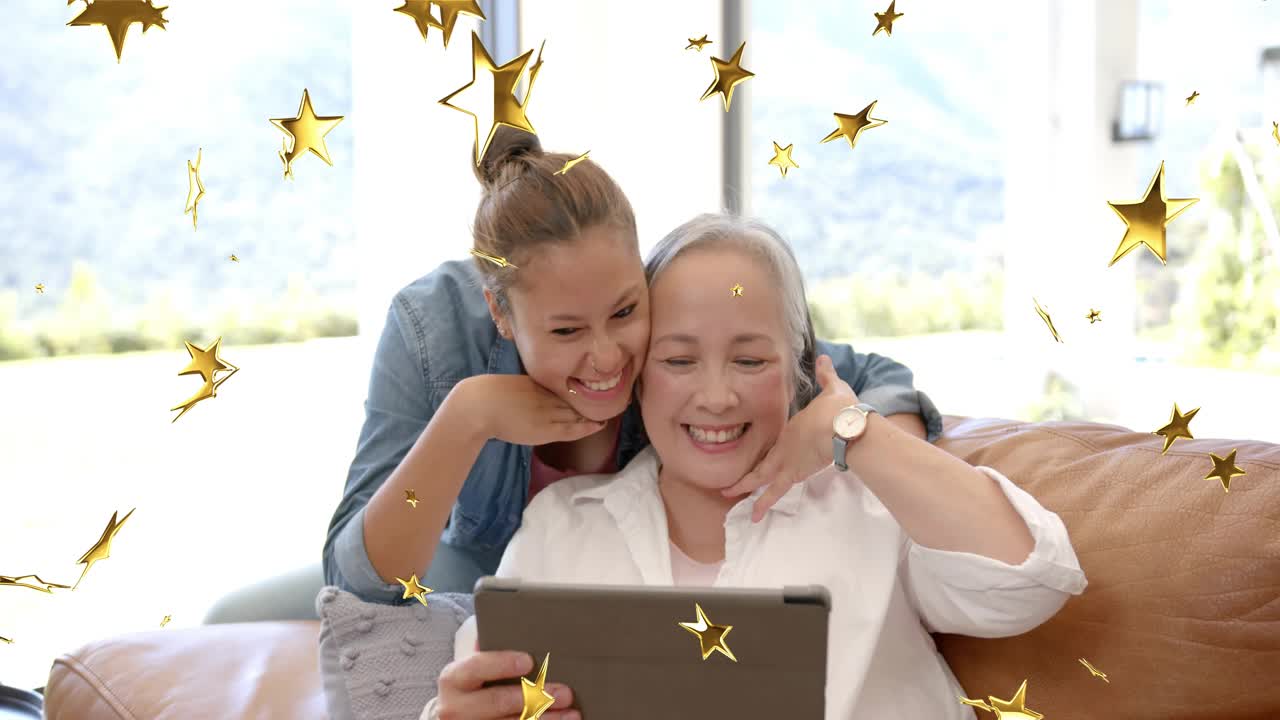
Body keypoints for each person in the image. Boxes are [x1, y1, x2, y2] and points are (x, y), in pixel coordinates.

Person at [426, 214, 1087, 720]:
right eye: (679, 361)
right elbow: (479, 687)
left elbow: (1030, 582)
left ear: (801, 370)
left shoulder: (872, 505)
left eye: (750, 360)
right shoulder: (562, 529)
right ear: (638, 376)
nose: (716, 397)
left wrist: (858, 432)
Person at [322, 127, 942, 608]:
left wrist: (841, 426)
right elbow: (358, 582)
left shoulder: (672, 313)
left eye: (624, 311)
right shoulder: (434, 330)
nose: (608, 357)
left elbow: (881, 379)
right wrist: (466, 418)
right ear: (502, 314)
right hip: (471, 574)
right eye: (566, 330)